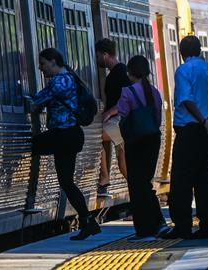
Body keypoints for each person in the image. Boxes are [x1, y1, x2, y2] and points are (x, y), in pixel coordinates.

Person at [30, 48, 101, 240]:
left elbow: (36, 100)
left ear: (53, 61)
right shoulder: (69, 77)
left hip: (64, 136)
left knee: (31, 146)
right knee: (66, 182)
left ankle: (88, 220)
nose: (40, 68)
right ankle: (88, 222)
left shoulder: (59, 81)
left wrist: (31, 103)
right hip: (69, 136)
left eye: (43, 63)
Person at [161, 36, 208, 240]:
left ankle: (182, 226)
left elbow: (186, 99)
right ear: (199, 51)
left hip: (191, 130)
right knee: (206, 179)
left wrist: (203, 120)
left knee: (181, 180)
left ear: (182, 53)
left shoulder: (184, 70)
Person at [117, 55, 168, 242]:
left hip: (135, 141)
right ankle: (158, 223)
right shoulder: (154, 91)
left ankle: (144, 230)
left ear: (130, 72)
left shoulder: (127, 92)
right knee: (145, 183)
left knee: (136, 186)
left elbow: (122, 116)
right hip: (153, 140)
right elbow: (157, 119)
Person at [95, 39, 132, 194]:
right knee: (124, 166)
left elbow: (129, 98)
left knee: (95, 137)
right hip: (118, 122)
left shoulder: (121, 72)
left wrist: (110, 112)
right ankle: (143, 202)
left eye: (97, 55)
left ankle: (104, 177)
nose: (96, 59)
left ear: (105, 54)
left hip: (120, 122)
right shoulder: (115, 73)